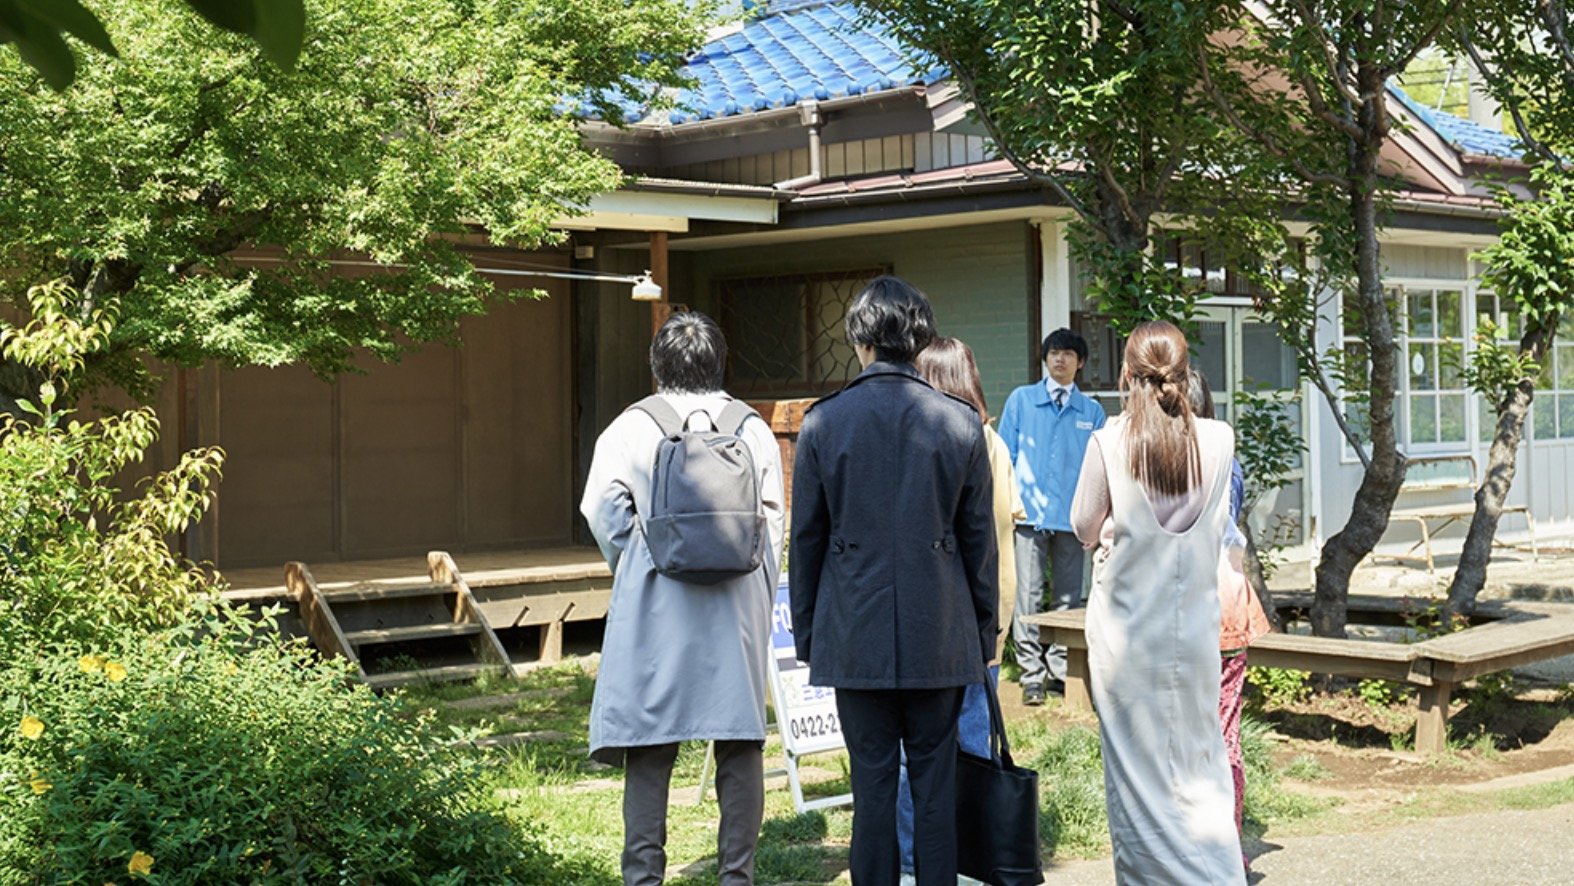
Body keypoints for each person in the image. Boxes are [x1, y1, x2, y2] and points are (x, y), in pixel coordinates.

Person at [790, 277, 997, 886]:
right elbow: (979, 544)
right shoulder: (960, 422)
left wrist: (810, 635)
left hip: (854, 630)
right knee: (936, 783)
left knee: (872, 785)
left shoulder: (824, 422)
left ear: (860, 339)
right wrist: (983, 634)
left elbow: (806, 542)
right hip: (942, 629)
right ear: (920, 338)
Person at [580, 311, 785, 886]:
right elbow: (773, 522)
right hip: (734, 605)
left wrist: (638, 561)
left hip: (655, 603)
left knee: (650, 742)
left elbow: (601, 509)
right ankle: (736, 876)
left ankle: (644, 876)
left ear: (657, 366)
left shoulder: (630, 427)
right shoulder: (752, 428)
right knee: (739, 741)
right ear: (721, 362)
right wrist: (755, 588)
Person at [1070, 321, 1245, 885]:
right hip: (1194, 631)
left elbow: (1083, 525)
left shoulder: (1109, 441)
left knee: (1136, 779)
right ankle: (1217, 873)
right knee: (1201, 765)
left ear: (1127, 374)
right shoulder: (1219, 439)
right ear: (1184, 373)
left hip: (1126, 634)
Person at [893, 336, 1025, 876]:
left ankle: (912, 859)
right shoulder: (989, 443)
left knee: (915, 750)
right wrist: (997, 627)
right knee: (971, 743)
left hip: (925, 623)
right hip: (980, 621)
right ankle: (968, 857)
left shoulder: (912, 442)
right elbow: (1002, 538)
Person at [1187, 369, 1272, 872]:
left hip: (1187, 610)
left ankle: (1194, 848)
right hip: (1227, 608)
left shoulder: (1161, 463)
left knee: (1187, 738)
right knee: (1224, 732)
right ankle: (1226, 848)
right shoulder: (1228, 461)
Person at [999, 327, 1107, 705]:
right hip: (1028, 515)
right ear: (1045, 359)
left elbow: (1099, 470)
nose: (1060, 359)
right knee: (1027, 596)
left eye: (1068, 354)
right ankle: (1032, 675)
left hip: (1073, 519)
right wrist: (1009, 507)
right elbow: (1006, 456)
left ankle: (1062, 669)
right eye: (1054, 353)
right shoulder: (1022, 401)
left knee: (1068, 597)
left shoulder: (1091, 412)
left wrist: (1094, 520)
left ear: (1080, 362)